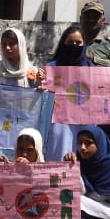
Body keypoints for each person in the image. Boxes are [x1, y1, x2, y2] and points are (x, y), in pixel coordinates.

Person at [42, 25, 91, 162]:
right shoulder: (51, 68)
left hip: (83, 126)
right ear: (63, 44)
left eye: (78, 43)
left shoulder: (92, 70)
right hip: (57, 126)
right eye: (70, 42)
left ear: (84, 44)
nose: (74, 46)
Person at [80, 0, 110, 68]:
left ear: (103, 20)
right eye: (87, 16)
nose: (91, 20)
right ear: (80, 19)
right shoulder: (70, 44)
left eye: (95, 17)